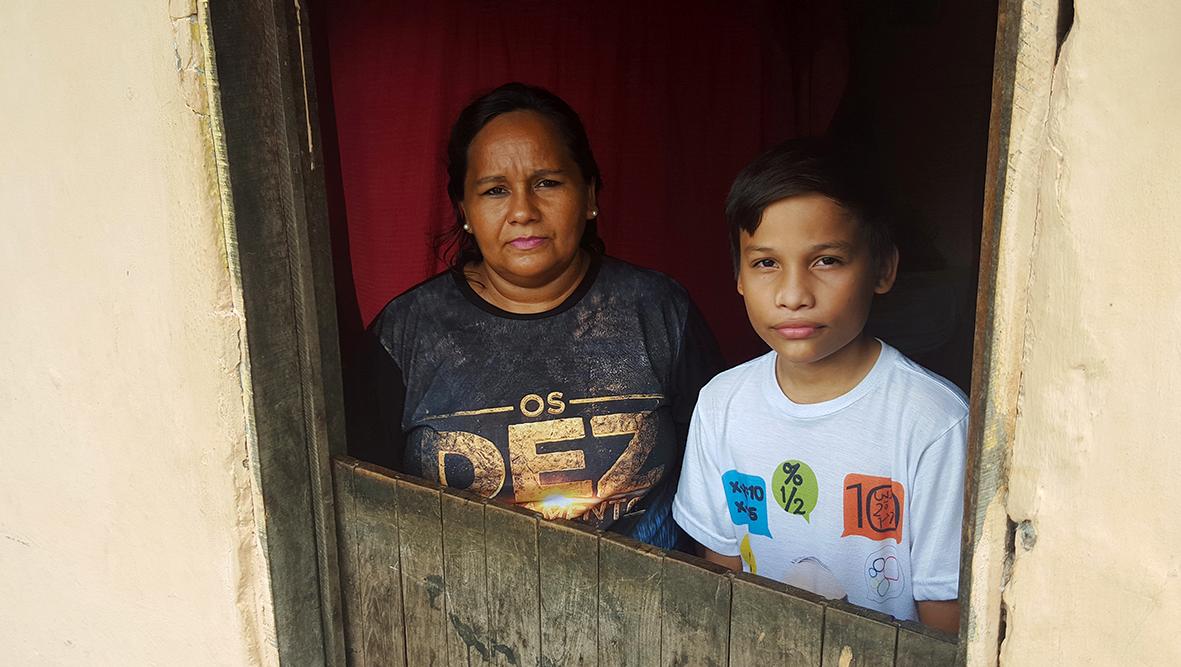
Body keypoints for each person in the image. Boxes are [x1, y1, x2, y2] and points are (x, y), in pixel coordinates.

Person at [357, 82, 722, 550]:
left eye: (547, 183)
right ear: (465, 210)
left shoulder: (659, 311)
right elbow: (367, 511)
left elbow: (721, 491)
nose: (523, 211)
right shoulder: (407, 333)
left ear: (589, 195)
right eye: (495, 190)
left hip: (651, 607)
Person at [671, 139, 967, 633]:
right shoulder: (722, 404)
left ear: (883, 268)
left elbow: (944, 621)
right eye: (766, 263)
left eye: (827, 260)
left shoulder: (933, 422)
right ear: (738, 276)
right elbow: (723, 575)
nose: (793, 295)